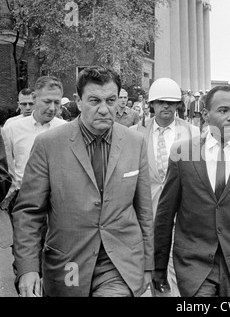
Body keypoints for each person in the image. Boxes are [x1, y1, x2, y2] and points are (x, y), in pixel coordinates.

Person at [11, 66, 153, 297]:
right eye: (94, 101)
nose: (104, 109)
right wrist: (28, 268)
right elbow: (29, 212)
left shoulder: (135, 142)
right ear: (78, 101)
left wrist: (149, 264)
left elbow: (144, 211)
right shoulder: (48, 145)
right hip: (69, 264)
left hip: (118, 263)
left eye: (111, 100)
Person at [153, 85, 230, 297]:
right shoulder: (183, 154)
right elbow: (165, 214)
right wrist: (159, 265)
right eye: (223, 110)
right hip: (194, 266)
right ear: (206, 115)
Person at [130, 77, 199, 296]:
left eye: (171, 102)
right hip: (147, 214)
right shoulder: (135, 134)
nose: (166, 107)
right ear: (152, 104)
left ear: (179, 104)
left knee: (178, 271)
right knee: (152, 271)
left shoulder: (193, 134)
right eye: (161, 102)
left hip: (182, 214)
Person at [1, 77, 67, 215]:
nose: (52, 108)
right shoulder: (12, 128)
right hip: (22, 197)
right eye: (47, 102)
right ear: (35, 98)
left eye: (57, 102)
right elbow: (7, 166)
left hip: (58, 200)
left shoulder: (67, 129)